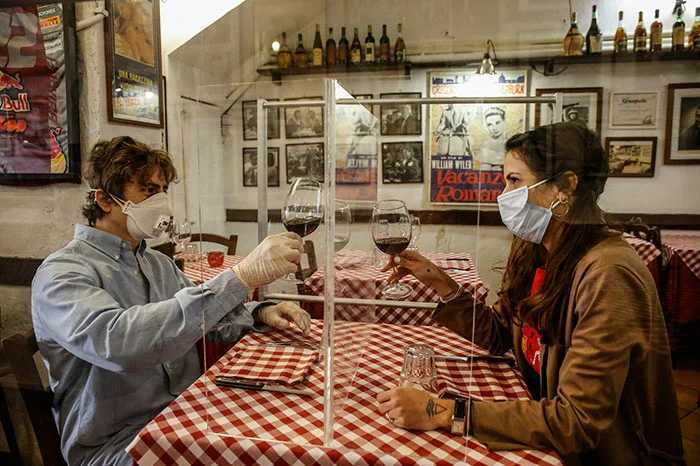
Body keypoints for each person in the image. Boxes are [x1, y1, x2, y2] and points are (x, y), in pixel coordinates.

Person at [376, 122, 684, 465]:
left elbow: (577, 422)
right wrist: (439, 282)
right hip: (543, 432)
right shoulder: (539, 250)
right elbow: (499, 336)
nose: (503, 195)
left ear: (565, 187)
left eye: (514, 181)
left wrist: (443, 410)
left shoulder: (609, 273)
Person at [32, 136, 311, 466]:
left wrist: (261, 311)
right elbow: (119, 342)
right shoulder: (62, 273)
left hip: (183, 415)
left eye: (162, 191)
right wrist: (240, 277)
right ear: (104, 200)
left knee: (284, 433)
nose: (160, 202)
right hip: (118, 441)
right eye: (148, 190)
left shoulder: (157, 263)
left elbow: (203, 319)